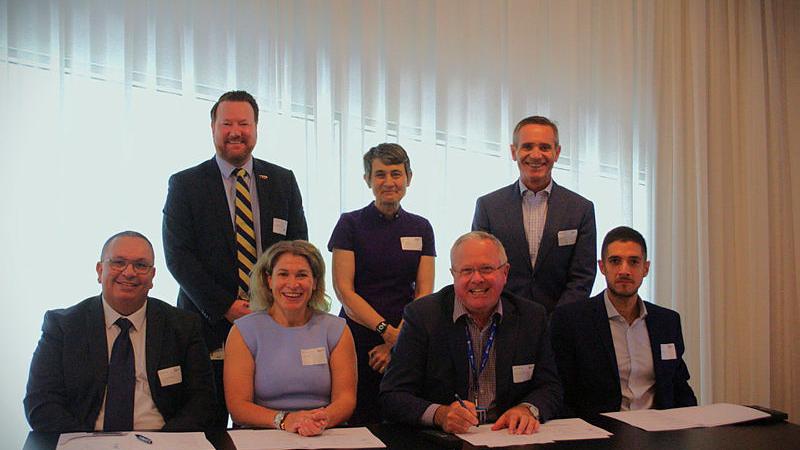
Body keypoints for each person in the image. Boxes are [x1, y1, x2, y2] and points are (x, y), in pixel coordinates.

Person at [162, 90, 308, 427]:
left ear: (256, 128)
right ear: (213, 127)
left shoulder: (282, 180)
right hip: (207, 326)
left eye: (244, 123)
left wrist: (273, 302)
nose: (235, 132)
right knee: (208, 422)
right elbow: (178, 256)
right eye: (227, 124)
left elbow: (298, 247)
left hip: (273, 322)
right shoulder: (185, 184)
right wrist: (226, 306)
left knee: (268, 422)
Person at [24, 231, 215, 432]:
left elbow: (203, 401)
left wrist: (165, 442)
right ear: (100, 271)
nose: (129, 272)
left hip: (162, 437)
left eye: (140, 265)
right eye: (118, 262)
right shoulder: (63, 327)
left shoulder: (183, 326)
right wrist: (87, 442)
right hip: (86, 438)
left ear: (152, 276)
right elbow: (40, 403)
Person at [380, 231, 562, 434]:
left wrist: (527, 409)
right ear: (453, 275)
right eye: (466, 271)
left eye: (486, 269)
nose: (477, 279)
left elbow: (550, 387)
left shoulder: (531, 317)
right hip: (445, 439)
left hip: (509, 436)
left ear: (505, 273)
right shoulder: (423, 316)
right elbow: (393, 395)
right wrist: (440, 415)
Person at [328, 143, 435, 424]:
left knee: (404, 418)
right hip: (357, 337)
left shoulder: (421, 227)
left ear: (409, 178)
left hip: (407, 337)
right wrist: (386, 332)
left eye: (396, 174)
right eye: (380, 174)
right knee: (358, 421)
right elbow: (344, 290)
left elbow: (424, 292)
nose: (389, 182)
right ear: (368, 180)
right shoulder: (350, 224)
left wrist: (397, 341)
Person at [550, 226, 697, 417]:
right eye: (615, 261)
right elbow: (560, 391)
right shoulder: (572, 321)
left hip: (659, 428)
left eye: (633, 262)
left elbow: (679, 386)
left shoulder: (667, 322)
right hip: (600, 429)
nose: (624, 270)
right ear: (602, 267)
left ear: (645, 268)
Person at [224, 240, 356, 435]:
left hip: (323, 432)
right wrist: (285, 420)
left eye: (302, 275)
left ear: (315, 282)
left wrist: (320, 420)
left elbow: (345, 399)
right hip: (265, 433)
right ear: (269, 280)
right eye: (283, 274)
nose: (293, 284)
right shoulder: (244, 331)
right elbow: (238, 407)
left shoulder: (336, 329)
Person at [472, 115, 596, 313]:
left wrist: (557, 320)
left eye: (545, 147)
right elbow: (481, 269)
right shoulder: (488, 207)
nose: (536, 155)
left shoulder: (581, 209)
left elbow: (582, 277)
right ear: (514, 152)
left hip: (559, 322)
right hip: (503, 318)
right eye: (527, 146)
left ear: (557, 153)